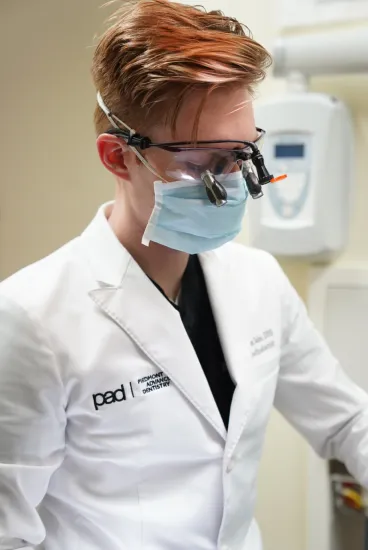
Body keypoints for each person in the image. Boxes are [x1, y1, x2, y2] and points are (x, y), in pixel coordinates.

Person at [0, 1, 367, 549]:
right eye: (201, 164)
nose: (230, 182)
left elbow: (344, 421)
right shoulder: (30, 317)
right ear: (118, 157)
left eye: (240, 157)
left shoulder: (258, 280)